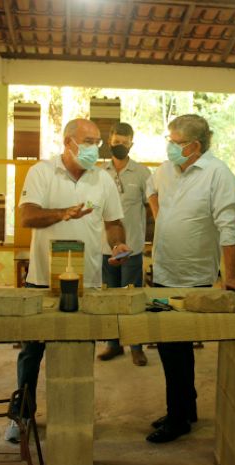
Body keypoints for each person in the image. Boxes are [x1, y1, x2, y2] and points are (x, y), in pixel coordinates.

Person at [5, 118, 130, 443]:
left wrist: (117, 244)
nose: (95, 148)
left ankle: (74, 414)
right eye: (87, 141)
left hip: (86, 282)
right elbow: (27, 216)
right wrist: (63, 213)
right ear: (68, 142)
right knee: (32, 351)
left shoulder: (102, 179)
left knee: (79, 349)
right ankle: (21, 415)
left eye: (97, 142)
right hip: (43, 279)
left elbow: (114, 221)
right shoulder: (42, 172)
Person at [145, 114, 235, 443]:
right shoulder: (163, 170)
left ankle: (178, 418)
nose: (169, 146)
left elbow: (228, 227)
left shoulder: (219, 175)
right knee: (167, 344)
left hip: (194, 277)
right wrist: (163, 219)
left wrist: (228, 277)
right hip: (162, 274)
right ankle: (184, 407)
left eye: (175, 142)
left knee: (179, 344)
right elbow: (150, 190)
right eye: (169, 140)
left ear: (196, 146)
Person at [97, 122, 151, 366]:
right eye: (116, 142)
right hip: (103, 248)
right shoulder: (98, 173)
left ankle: (136, 347)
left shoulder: (142, 173)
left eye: (125, 143)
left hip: (133, 250)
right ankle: (113, 345)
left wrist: (138, 234)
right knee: (109, 298)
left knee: (132, 299)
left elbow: (151, 208)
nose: (120, 146)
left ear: (132, 144)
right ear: (110, 142)